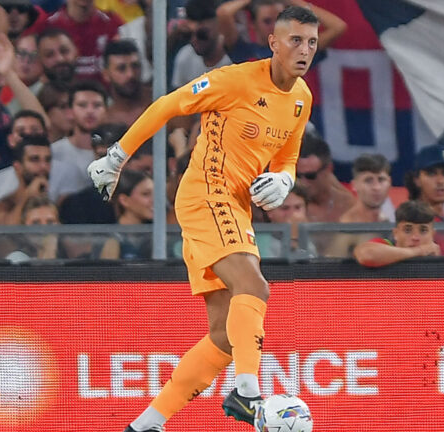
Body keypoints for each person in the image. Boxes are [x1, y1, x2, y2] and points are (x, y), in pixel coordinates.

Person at [87, 6, 317, 431]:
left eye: (311, 42)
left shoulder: (302, 98)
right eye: (295, 40)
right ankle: (247, 396)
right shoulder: (234, 80)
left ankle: (145, 425)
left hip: (235, 207)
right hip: (205, 196)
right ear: (274, 42)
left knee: (225, 337)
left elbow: (288, 157)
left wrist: (285, 181)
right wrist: (116, 157)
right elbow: (169, 104)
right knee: (254, 286)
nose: (304, 50)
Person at [217, 0, 345, 65]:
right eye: (267, 21)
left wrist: (292, 1)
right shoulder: (243, 51)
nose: (275, 26)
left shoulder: (297, 52)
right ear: (253, 24)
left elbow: (338, 27)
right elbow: (223, 13)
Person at [354, 200, 440, 267]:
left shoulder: (440, 255)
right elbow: (366, 254)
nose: (415, 237)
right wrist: (419, 251)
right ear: (396, 233)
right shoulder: (386, 245)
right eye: (408, 230)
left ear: (432, 234)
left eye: (423, 230)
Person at [171, 0, 232, 89]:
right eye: (188, 35)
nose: (193, 40)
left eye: (201, 34)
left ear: (217, 26)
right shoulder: (185, 57)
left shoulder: (232, 57)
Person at [295, 133, 354, 222]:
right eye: (298, 176)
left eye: (310, 176)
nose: (304, 182)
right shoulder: (287, 207)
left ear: (328, 169)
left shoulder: (348, 205)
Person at [98, 169, 154, 259]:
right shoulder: (112, 240)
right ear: (124, 200)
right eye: (146, 194)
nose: (154, 200)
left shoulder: (155, 235)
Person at [102, 39, 151, 126]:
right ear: (106, 74)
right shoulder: (101, 117)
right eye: (121, 68)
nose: (130, 74)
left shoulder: (160, 102)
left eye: (135, 66)